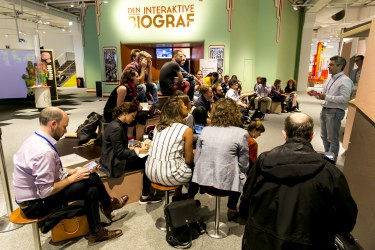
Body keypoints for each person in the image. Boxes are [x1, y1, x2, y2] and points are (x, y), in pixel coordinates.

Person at [241, 113, 357, 250]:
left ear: (284, 134)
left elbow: (245, 205)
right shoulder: (331, 173)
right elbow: (346, 221)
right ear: (312, 135)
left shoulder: (262, 162)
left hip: (260, 241)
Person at [13, 107, 125, 245]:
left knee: (91, 188)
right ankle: (107, 206)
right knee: (91, 178)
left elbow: (51, 170)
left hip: (30, 199)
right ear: (53, 124)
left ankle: (97, 230)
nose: (66, 131)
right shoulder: (44, 152)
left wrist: (74, 171)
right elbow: (46, 191)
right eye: (64, 127)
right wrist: (73, 178)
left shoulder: (35, 139)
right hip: (35, 206)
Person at [192, 98, 249, 220]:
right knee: (241, 172)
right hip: (226, 186)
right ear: (236, 113)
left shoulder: (205, 130)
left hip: (203, 182)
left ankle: (190, 198)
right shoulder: (241, 133)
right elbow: (243, 165)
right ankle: (232, 208)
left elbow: (197, 160)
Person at [100, 102, 162, 205]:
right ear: (125, 113)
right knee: (148, 160)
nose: (133, 119)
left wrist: (138, 144)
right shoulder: (117, 128)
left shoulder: (117, 123)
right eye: (132, 116)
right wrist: (138, 151)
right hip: (114, 161)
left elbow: (121, 145)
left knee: (146, 153)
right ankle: (145, 196)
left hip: (112, 157)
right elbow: (120, 152)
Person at [145, 97, 194, 198]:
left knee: (177, 161)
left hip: (150, 172)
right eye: (183, 105)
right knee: (196, 169)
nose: (186, 107)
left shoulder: (158, 126)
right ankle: (190, 199)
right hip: (170, 176)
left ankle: (178, 195)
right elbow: (189, 160)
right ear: (178, 110)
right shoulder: (186, 130)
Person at [308, 56, 353, 162]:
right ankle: (327, 157)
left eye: (332, 64)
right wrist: (315, 94)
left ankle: (330, 162)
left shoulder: (345, 80)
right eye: (329, 64)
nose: (329, 66)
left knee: (332, 139)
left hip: (335, 112)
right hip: (325, 109)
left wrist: (326, 97)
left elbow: (345, 98)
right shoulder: (329, 78)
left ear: (340, 66)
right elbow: (325, 95)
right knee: (324, 136)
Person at [103, 69, 148, 140]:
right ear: (131, 78)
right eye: (137, 76)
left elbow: (131, 103)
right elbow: (120, 108)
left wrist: (138, 106)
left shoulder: (133, 88)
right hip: (112, 112)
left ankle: (139, 139)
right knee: (132, 115)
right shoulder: (123, 89)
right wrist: (135, 109)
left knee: (143, 115)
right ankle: (130, 140)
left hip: (124, 110)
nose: (139, 78)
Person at [124, 50, 160, 115]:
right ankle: (143, 110)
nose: (148, 62)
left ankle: (155, 107)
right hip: (128, 90)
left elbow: (149, 81)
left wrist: (149, 68)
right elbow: (139, 82)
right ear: (141, 60)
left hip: (136, 88)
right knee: (142, 87)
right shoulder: (131, 67)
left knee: (153, 85)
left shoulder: (142, 67)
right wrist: (143, 67)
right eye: (147, 61)